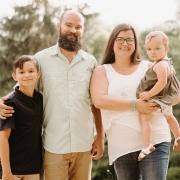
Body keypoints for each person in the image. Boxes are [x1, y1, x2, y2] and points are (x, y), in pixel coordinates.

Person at [0, 10, 104, 180]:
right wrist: (1, 101)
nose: (73, 30)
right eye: (68, 25)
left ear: (83, 30)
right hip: (54, 146)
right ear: (59, 26)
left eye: (78, 27)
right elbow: (22, 89)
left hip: (84, 146)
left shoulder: (90, 62)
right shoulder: (41, 59)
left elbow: (96, 103)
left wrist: (100, 137)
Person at [90, 23, 172, 180]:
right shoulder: (102, 71)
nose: (125, 43)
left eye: (130, 40)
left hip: (155, 141)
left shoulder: (150, 67)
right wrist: (136, 104)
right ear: (112, 42)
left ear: (136, 43)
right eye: (120, 39)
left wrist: (158, 103)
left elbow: (175, 94)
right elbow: (99, 100)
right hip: (122, 145)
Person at [136, 31, 180, 161]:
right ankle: (178, 136)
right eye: (149, 49)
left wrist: (149, 94)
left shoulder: (160, 64)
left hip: (159, 98)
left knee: (144, 118)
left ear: (166, 48)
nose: (152, 52)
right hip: (167, 98)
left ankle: (147, 145)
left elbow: (162, 82)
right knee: (169, 116)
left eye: (157, 48)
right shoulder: (167, 63)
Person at [0, 55, 42, 180]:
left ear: (38, 74)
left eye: (31, 71)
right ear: (15, 76)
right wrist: (6, 172)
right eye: (21, 72)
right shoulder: (9, 103)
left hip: (33, 169)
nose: (27, 75)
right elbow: (3, 138)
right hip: (13, 171)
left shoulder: (40, 99)